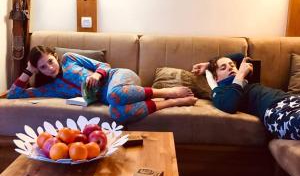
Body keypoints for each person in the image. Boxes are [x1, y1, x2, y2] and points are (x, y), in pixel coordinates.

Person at [8, 46, 197, 124]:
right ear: (38, 70)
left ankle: (167, 92)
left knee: (114, 95)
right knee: (115, 112)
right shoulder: (50, 88)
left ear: (55, 56)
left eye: (50, 61)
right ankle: (171, 102)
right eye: (42, 67)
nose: (49, 68)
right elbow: (14, 94)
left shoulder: (68, 59)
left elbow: (103, 65)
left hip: (120, 77)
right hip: (112, 97)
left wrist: (98, 76)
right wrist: (28, 71)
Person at [192, 53, 300, 140]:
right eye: (223, 68)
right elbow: (229, 105)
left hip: (292, 99)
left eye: (232, 65)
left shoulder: (249, 79)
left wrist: (208, 64)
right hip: (276, 111)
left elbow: (240, 56)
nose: (230, 68)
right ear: (216, 78)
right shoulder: (220, 91)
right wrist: (240, 75)